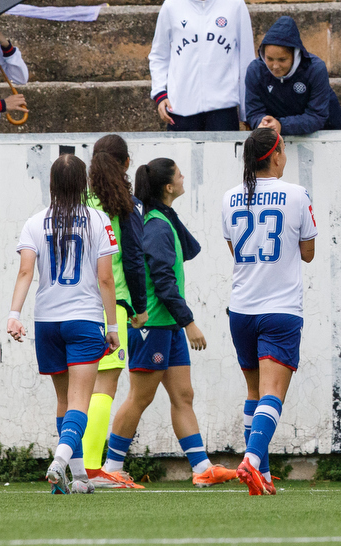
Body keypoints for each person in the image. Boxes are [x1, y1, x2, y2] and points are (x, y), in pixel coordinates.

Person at [102, 158, 239, 486]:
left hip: (168, 325)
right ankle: (110, 467)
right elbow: (163, 281)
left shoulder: (164, 220)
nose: (182, 177)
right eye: (178, 174)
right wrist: (189, 321)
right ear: (168, 186)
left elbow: (186, 253)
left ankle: (201, 468)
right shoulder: (157, 225)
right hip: (155, 325)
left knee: (183, 395)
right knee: (140, 397)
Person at [5, 153, 121, 495]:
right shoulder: (99, 220)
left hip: (46, 322)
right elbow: (106, 279)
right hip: (83, 319)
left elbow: (26, 271)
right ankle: (60, 459)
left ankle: (75, 478)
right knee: (80, 401)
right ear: (84, 184)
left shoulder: (34, 221)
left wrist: (14, 314)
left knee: (63, 401)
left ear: (52, 185)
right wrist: (112, 326)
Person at [223, 128, 319, 495]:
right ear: (276, 154)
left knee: (254, 390)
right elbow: (308, 253)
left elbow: (235, 250)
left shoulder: (230, 197)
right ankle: (252, 458)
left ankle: (259, 471)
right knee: (273, 394)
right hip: (280, 309)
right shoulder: (296, 194)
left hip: (242, 308)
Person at [78, 135, 150, 488]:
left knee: (77, 390)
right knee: (104, 387)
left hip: (73, 304)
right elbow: (134, 260)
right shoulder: (124, 203)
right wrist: (139, 307)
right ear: (125, 164)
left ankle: (72, 460)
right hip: (112, 304)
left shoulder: (75, 199)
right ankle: (91, 469)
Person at [150, 0, 256, 132]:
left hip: (223, 108)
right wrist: (160, 93)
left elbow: (246, 60)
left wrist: (247, 113)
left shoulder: (235, 5)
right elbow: (159, 55)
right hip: (180, 107)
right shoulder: (171, 7)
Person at [245, 16, 341, 135]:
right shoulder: (255, 70)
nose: (275, 66)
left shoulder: (315, 69)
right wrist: (262, 123)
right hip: (274, 132)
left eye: (282, 59)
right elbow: (254, 112)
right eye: (269, 59)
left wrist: (281, 125)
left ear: (295, 55)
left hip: (324, 131)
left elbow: (317, 115)